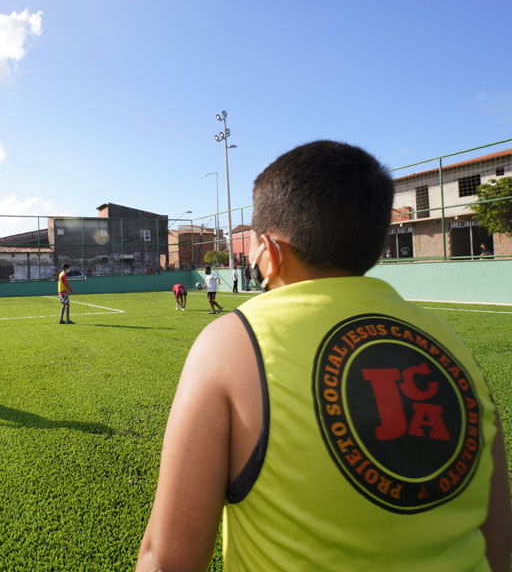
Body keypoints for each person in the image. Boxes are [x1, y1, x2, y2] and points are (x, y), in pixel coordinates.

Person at [137, 141, 511, 572]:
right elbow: (496, 544)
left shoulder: (232, 342)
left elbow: (165, 560)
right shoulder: (453, 347)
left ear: (270, 253)